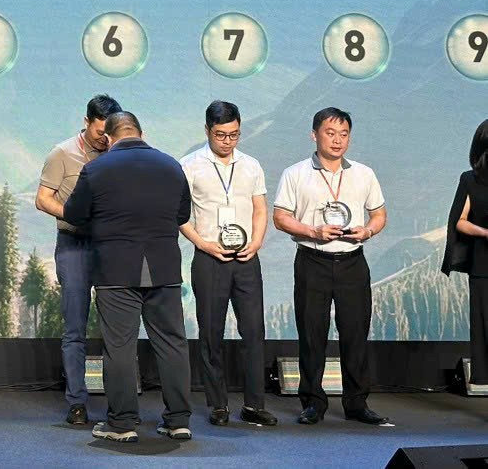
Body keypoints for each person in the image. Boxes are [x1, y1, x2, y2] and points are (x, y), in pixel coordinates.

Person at [63, 111, 193, 444]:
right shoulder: (171, 166)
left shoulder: (96, 168)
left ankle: (122, 424)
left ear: (108, 138)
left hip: (115, 270)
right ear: (141, 133)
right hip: (164, 269)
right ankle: (178, 421)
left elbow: (74, 214)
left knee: (119, 347)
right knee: (173, 344)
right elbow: (182, 215)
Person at [272, 107, 390, 426]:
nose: (337, 140)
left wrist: (368, 231)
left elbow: (379, 214)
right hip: (313, 261)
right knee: (312, 334)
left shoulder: (364, 173)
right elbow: (280, 217)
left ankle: (357, 403)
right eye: (330, 133)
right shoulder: (295, 173)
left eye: (344, 134)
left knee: (355, 333)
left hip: (352, 261)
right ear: (314, 135)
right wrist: (313, 231)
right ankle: (313, 403)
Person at [179, 101, 277, 427]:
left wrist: (257, 241)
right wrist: (201, 242)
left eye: (234, 135)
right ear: (207, 130)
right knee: (211, 333)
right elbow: (178, 214)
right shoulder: (189, 165)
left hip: (247, 259)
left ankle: (254, 404)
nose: (227, 141)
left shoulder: (251, 165)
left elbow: (260, 208)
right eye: (221, 135)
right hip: (210, 258)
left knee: (254, 331)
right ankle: (218, 404)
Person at [35, 93, 121, 425]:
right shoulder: (62, 153)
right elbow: (43, 199)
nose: (104, 138)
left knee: (117, 327)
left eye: (109, 132)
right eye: (99, 131)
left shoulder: (118, 153)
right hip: (74, 245)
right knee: (75, 326)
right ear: (86, 122)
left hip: (111, 246)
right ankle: (77, 402)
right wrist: (73, 215)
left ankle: (120, 403)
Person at [440, 119, 488, 390]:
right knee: (485, 331)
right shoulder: (470, 179)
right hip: (484, 266)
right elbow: (459, 221)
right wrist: (484, 232)